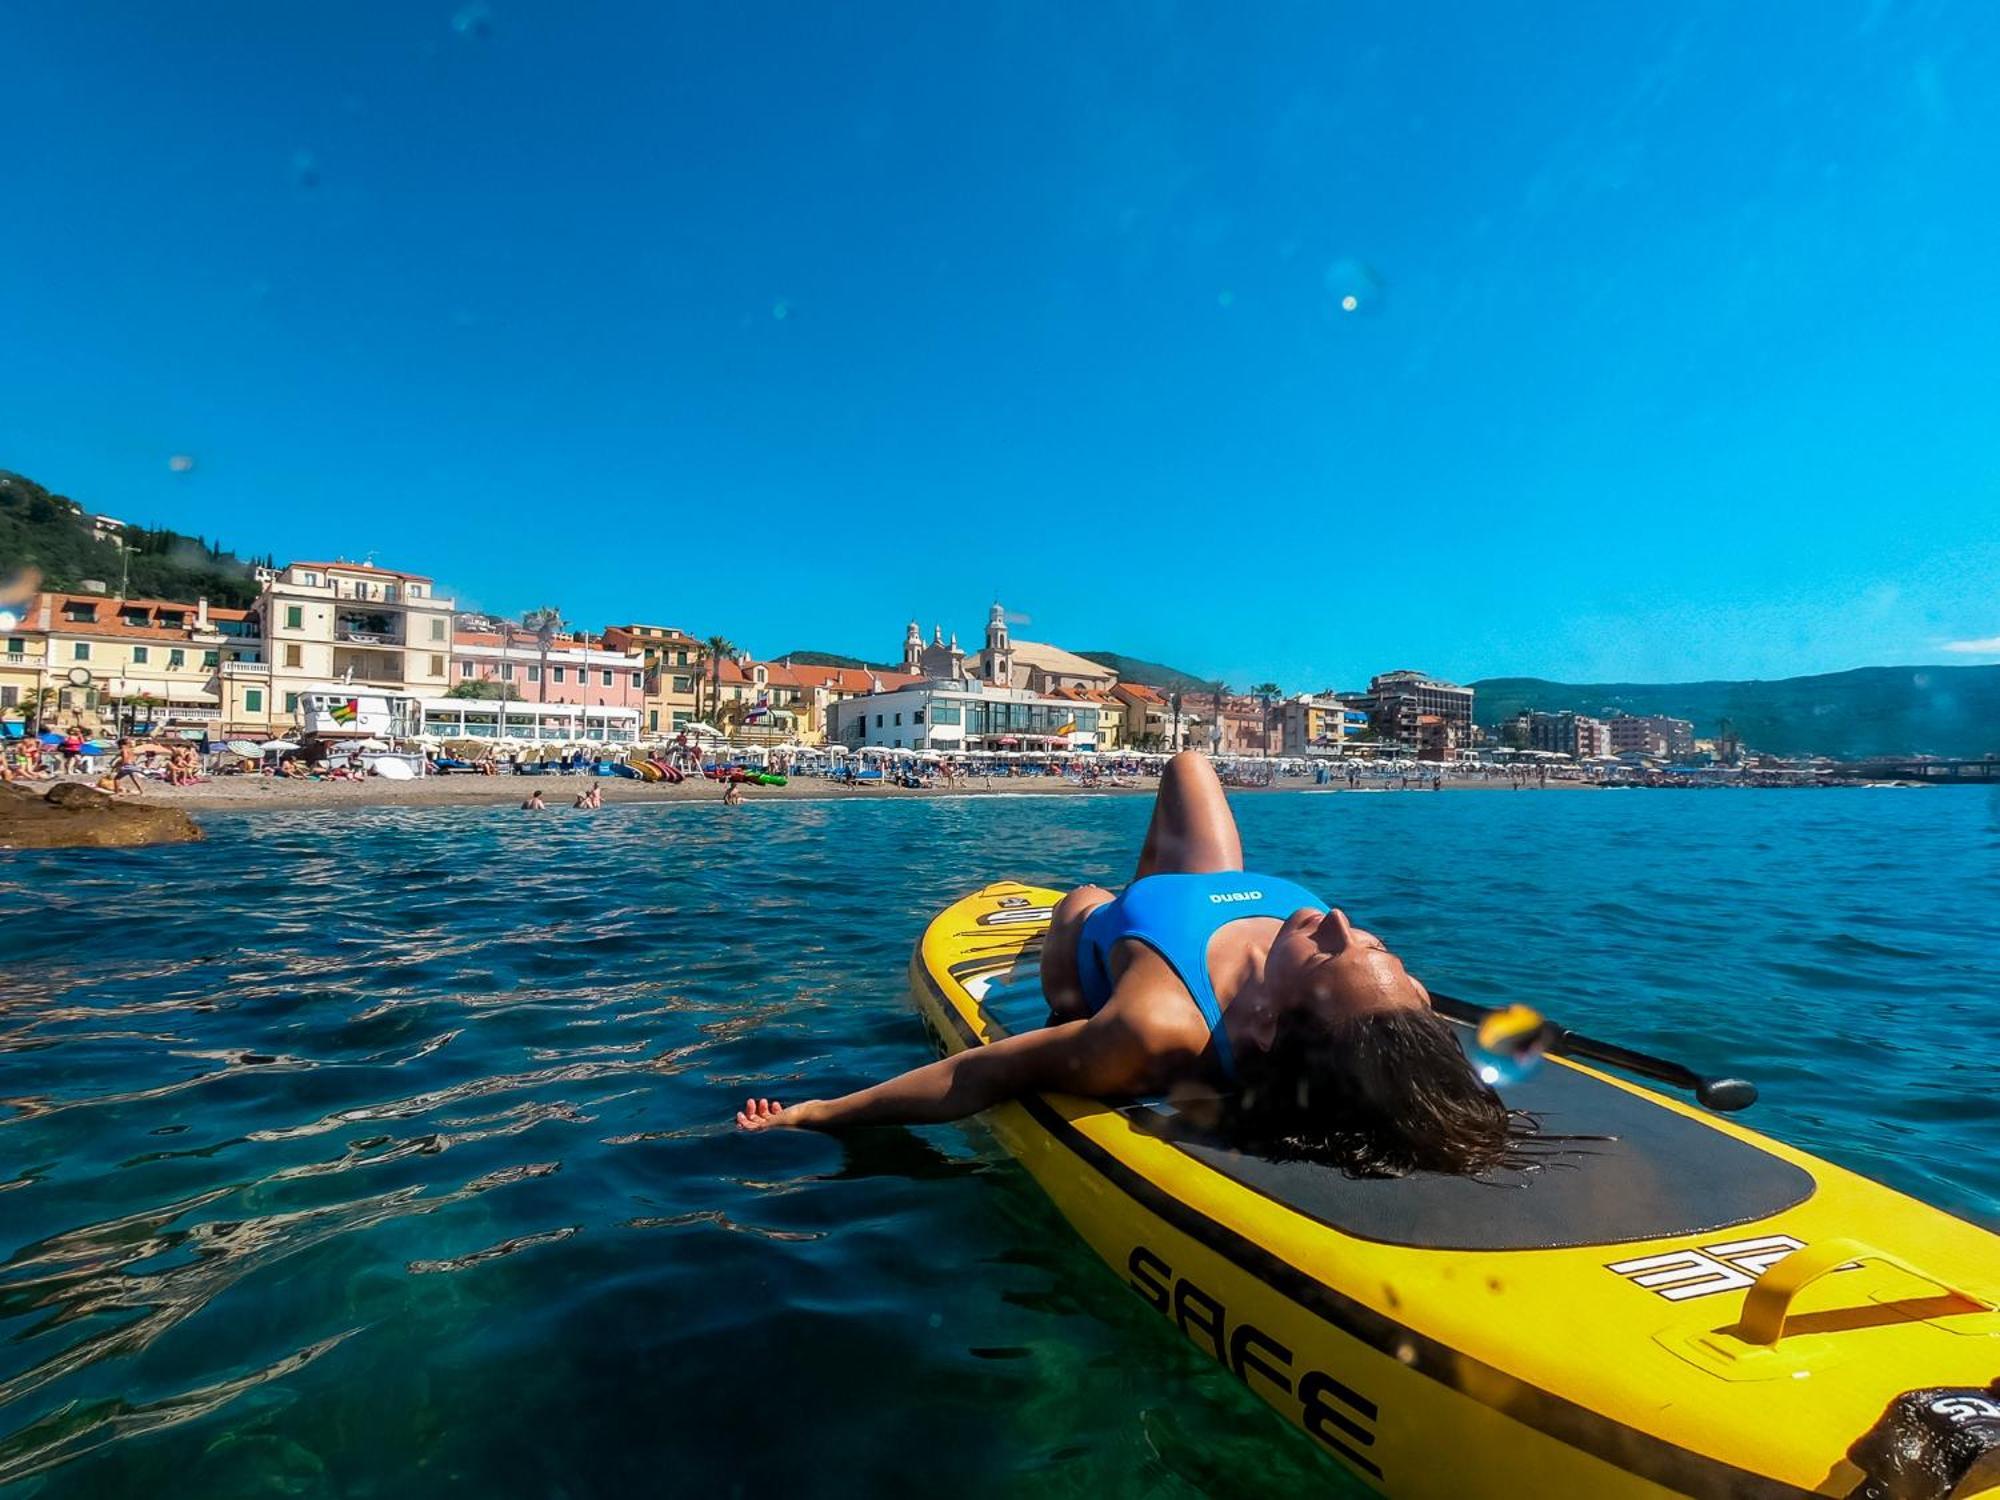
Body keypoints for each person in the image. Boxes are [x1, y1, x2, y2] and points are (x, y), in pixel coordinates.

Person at [737, 751, 1530, 1178]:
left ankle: (1083, 931)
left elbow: (981, 1075)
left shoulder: (1157, 1024)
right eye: (1368, 943)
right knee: (1188, 765)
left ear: (1262, 1023)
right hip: (1208, 889)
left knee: (1079, 899)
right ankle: (1137, 887)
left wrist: (820, 1114)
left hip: (1111, 942)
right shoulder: (1395, 997)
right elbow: (1409, 1026)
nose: (1340, 922)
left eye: (1331, 951)